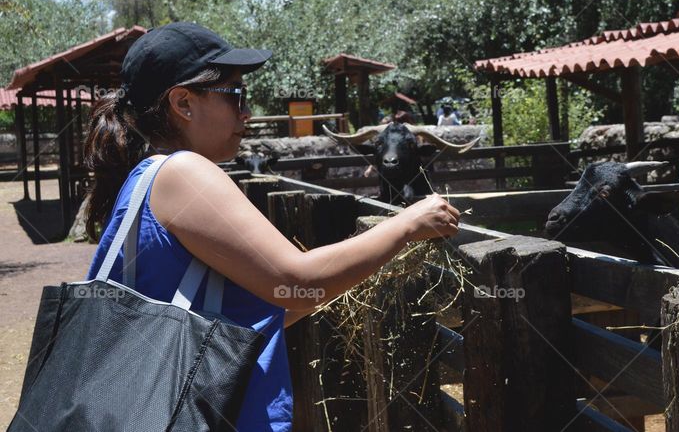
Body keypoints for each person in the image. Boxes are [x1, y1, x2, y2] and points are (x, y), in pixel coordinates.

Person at [82, 22, 460, 431]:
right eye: (236, 95)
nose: (247, 113)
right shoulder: (183, 172)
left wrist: (352, 268)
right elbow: (297, 278)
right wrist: (408, 223)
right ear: (184, 103)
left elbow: (260, 308)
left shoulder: (148, 178)